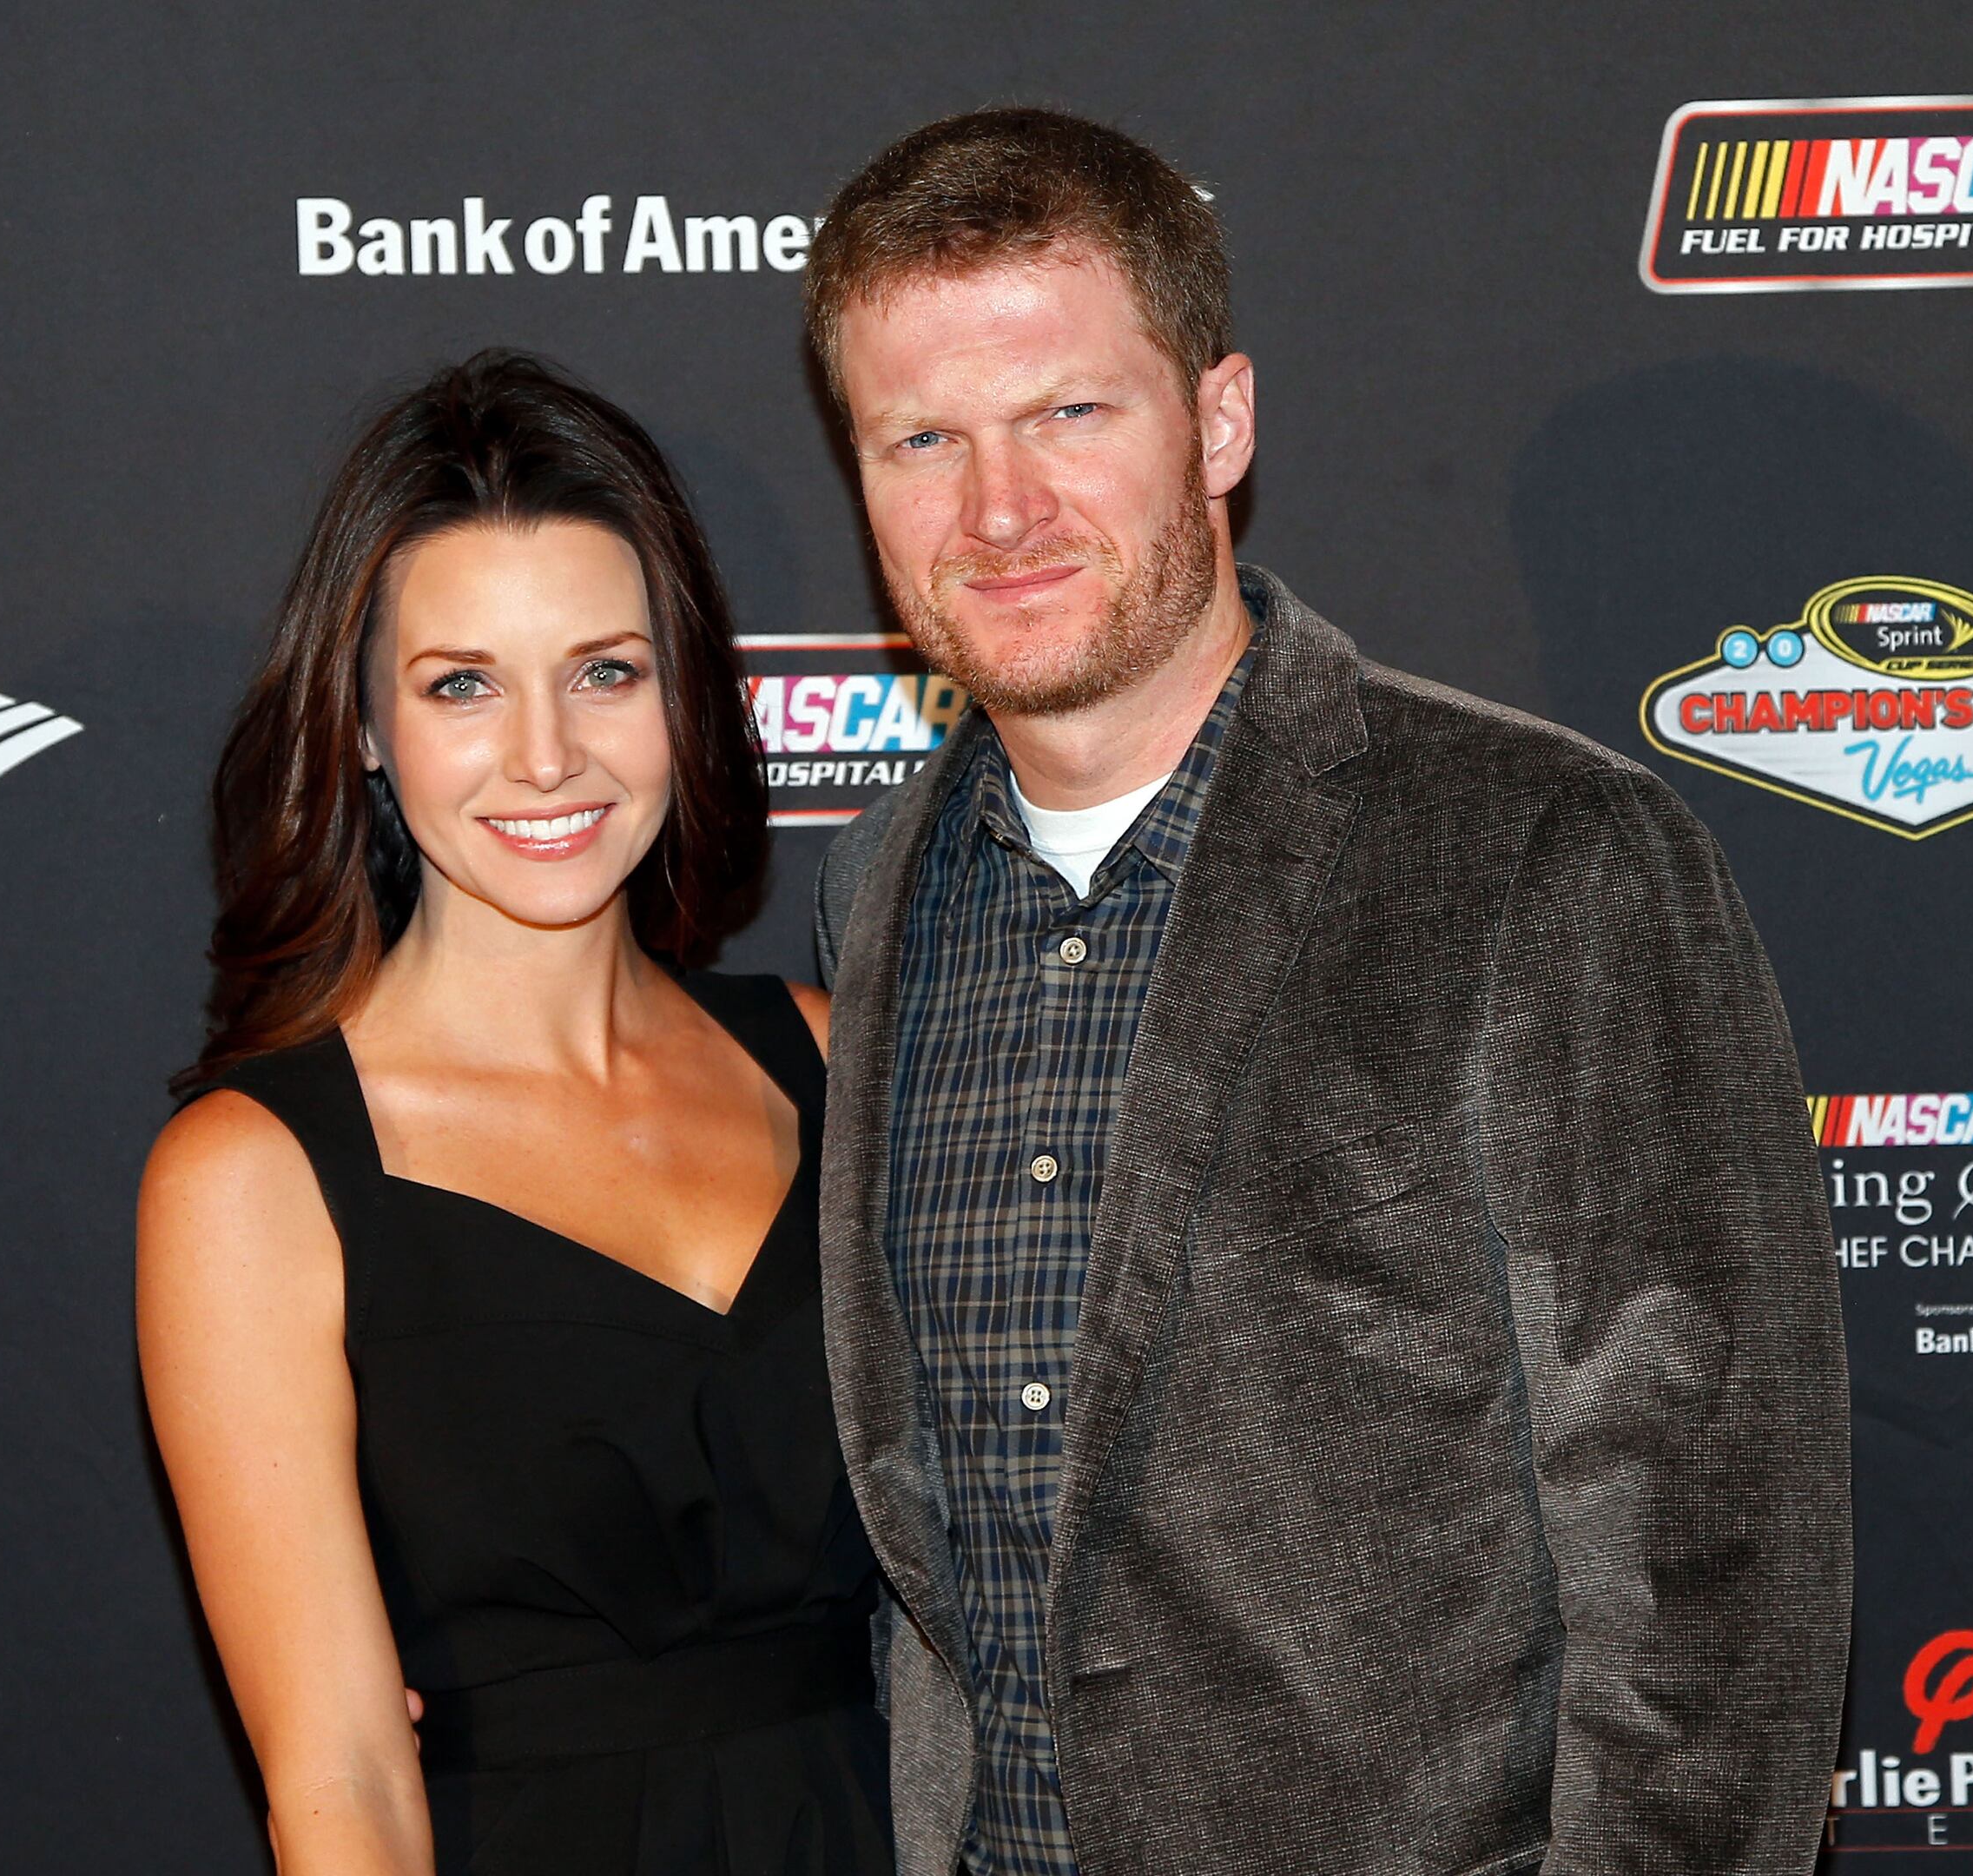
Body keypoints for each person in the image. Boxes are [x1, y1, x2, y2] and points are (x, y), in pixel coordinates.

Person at [800, 110, 1851, 1875]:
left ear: (1217, 421)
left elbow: (1711, 1567)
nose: (1001, 509)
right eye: (925, 438)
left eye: (1070, 412)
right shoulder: (881, 887)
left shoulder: (1542, 851)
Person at [140, 352, 892, 1876]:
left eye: (605, 671)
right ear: (361, 728)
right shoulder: (255, 1178)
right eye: (462, 685)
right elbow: (341, 1780)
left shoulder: (832, 1057)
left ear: (681, 696)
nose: (546, 756)